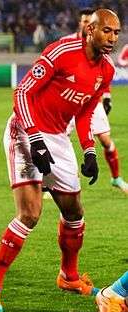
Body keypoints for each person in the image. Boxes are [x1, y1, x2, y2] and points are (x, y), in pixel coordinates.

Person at [0, 9, 121, 312]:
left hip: (57, 137)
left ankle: (68, 277)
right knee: (30, 213)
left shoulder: (106, 71)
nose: (112, 38)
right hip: (24, 130)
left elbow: (85, 112)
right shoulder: (61, 51)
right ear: (90, 30)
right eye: (106, 31)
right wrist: (33, 137)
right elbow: (23, 93)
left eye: (116, 33)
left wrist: (89, 150)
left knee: (74, 213)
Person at [65, 8, 128, 194]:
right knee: (61, 140)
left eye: (89, 21)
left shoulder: (101, 46)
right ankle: (55, 181)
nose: (86, 24)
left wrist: (106, 96)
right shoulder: (67, 43)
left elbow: (103, 72)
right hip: (67, 102)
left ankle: (116, 178)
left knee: (106, 141)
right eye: (83, 21)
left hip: (91, 101)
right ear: (81, 24)